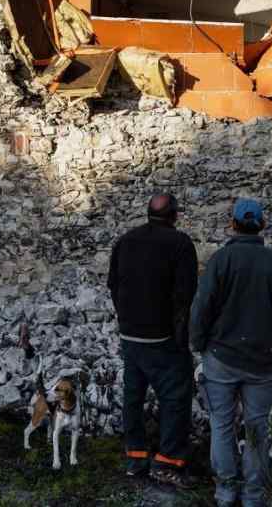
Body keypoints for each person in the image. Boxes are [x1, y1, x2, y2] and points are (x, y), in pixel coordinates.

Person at [190, 198, 272, 507]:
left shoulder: (221, 260)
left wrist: (199, 344)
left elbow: (202, 307)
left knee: (221, 425)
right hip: (261, 362)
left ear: (233, 224)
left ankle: (225, 492)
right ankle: (253, 497)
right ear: (262, 225)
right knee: (256, 430)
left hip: (221, 359)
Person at [108, 193, 198, 485]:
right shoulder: (180, 244)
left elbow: (113, 284)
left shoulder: (125, 241)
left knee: (133, 396)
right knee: (174, 396)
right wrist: (180, 339)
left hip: (130, 335)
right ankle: (168, 461)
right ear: (174, 215)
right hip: (161, 338)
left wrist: (126, 319)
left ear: (148, 213)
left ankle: (135, 456)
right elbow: (185, 295)